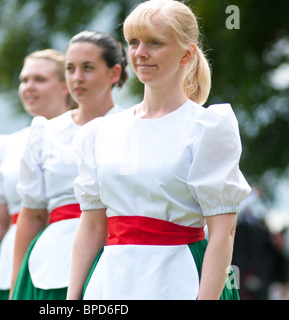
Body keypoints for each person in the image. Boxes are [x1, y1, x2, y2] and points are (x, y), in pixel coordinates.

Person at [67, 0, 251, 300]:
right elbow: (91, 226)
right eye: (134, 42)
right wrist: (72, 299)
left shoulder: (206, 127)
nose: (140, 53)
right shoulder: (100, 133)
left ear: (187, 53)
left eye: (155, 42)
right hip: (110, 284)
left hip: (180, 281)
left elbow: (223, 232)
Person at [10, 30, 128, 300]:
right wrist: (16, 285)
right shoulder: (45, 133)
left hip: (116, 255)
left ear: (114, 73)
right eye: (70, 69)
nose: (77, 78)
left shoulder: (132, 128)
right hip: (50, 263)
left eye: (88, 68)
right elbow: (32, 215)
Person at [0, 49, 75, 300]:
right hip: (8, 264)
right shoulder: (6, 144)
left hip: (65, 258)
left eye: (40, 79)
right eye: (24, 80)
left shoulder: (85, 133)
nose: (29, 87)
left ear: (65, 86)